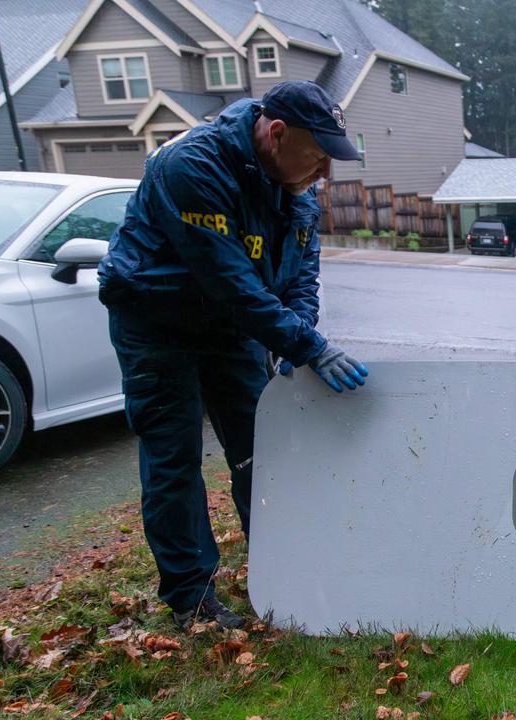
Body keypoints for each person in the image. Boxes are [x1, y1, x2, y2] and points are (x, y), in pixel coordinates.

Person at [98, 81, 369, 630]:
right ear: (276, 134)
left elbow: (300, 277)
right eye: (318, 157)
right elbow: (230, 280)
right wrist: (307, 346)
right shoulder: (191, 166)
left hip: (232, 326)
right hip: (157, 321)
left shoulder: (296, 190)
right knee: (174, 460)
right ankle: (191, 598)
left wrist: (300, 336)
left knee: (262, 452)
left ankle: (280, 567)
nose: (324, 174)